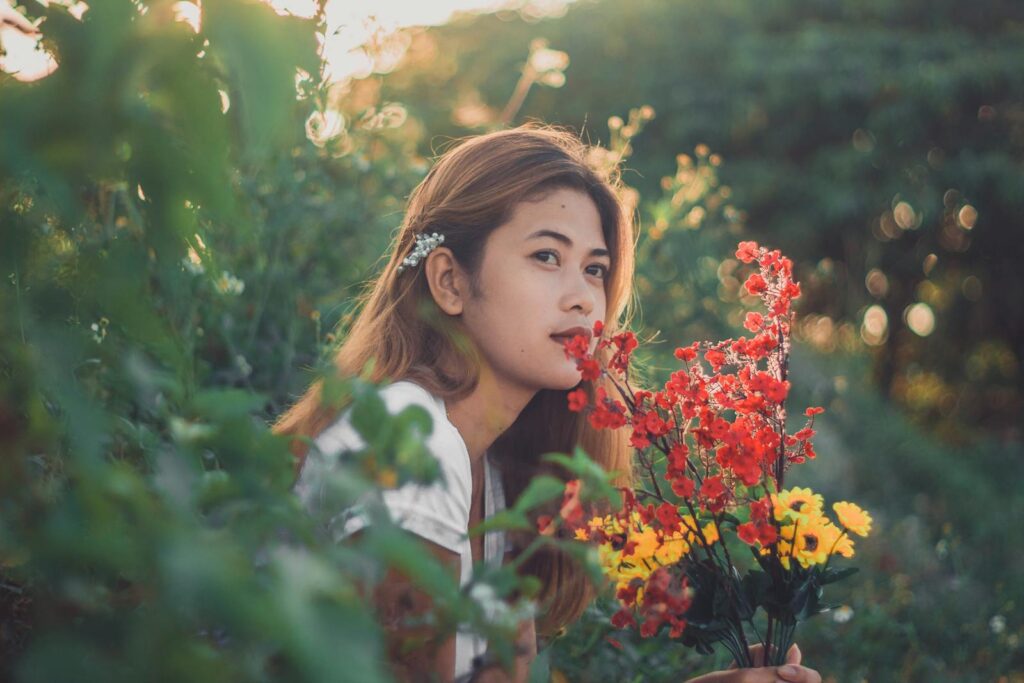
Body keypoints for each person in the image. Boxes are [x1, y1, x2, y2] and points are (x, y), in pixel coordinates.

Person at [275, 125, 822, 683]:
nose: (583, 296)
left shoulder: (489, 470)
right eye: (545, 256)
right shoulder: (409, 439)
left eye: (595, 269)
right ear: (449, 282)